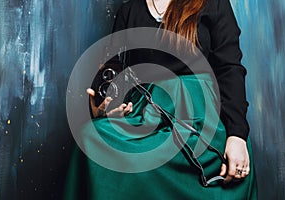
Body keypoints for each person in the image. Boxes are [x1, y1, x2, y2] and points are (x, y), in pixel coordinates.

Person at [65, 0, 257, 199]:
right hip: (147, 113)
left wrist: (237, 136)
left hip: (200, 118)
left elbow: (229, 69)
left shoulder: (213, 3)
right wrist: (109, 106)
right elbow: (116, 72)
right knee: (91, 136)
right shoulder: (129, 11)